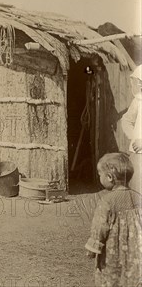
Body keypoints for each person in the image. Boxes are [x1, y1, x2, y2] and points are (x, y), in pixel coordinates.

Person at [85, 153, 141, 287]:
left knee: (111, 279)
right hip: (135, 256)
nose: (100, 177)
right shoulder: (138, 197)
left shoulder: (107, 201)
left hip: (113, 255)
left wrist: (93, 248)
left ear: (109, 177)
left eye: (100, 174)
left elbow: (100, 228)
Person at [121, 64, 142, 194]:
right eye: (139, 82)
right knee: (136, 192)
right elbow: (126, 120)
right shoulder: (138, 101)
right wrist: (133, 137)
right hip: (137, 155)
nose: (139, 85)